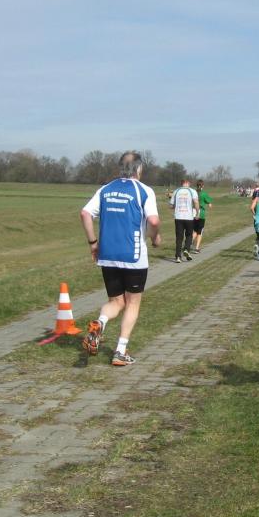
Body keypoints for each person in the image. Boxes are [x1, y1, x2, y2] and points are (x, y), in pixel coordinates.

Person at [80, 150, 162, 366]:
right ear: (139, 168)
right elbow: (153, 221)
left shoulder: (105, 189)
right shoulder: (144, 190)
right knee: (133, 303)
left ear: (120, 168)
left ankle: (100, 323)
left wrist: (93, 243)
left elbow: (85, 214)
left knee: (116, 301)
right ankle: (120, 351)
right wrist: (155, 238)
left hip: (107, 255)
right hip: (133, 256)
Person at [170, 178, 199, 263]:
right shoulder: (192, 191)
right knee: (189, 235)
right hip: (189, 217)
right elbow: (196, 202)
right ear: (188, 183)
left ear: (181, 183)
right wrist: (197, 213)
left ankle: (178, 257)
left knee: (179, 237)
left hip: (178, 217)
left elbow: (171, 205)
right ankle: (186, 249)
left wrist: (174, 206)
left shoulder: (176, 191)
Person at [191, 179, 212, 253]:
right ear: (203, 185)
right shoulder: (204, 194)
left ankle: (189, 243)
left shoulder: (193, 192)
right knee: (199, 232)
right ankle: (196, 248)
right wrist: (209, 204)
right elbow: (209, 202)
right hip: (201, 214)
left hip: (193, 213)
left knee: (195, 230)